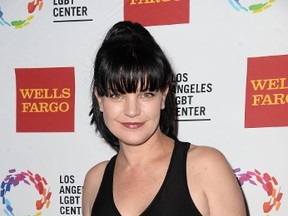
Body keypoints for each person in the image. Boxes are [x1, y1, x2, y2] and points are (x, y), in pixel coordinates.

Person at [82, 21, 247, 216]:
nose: (132, 111)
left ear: (163, 96)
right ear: (100, 99)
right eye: (117, 95)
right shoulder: (95, 181)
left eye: (146, 94)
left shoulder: (205, 167)